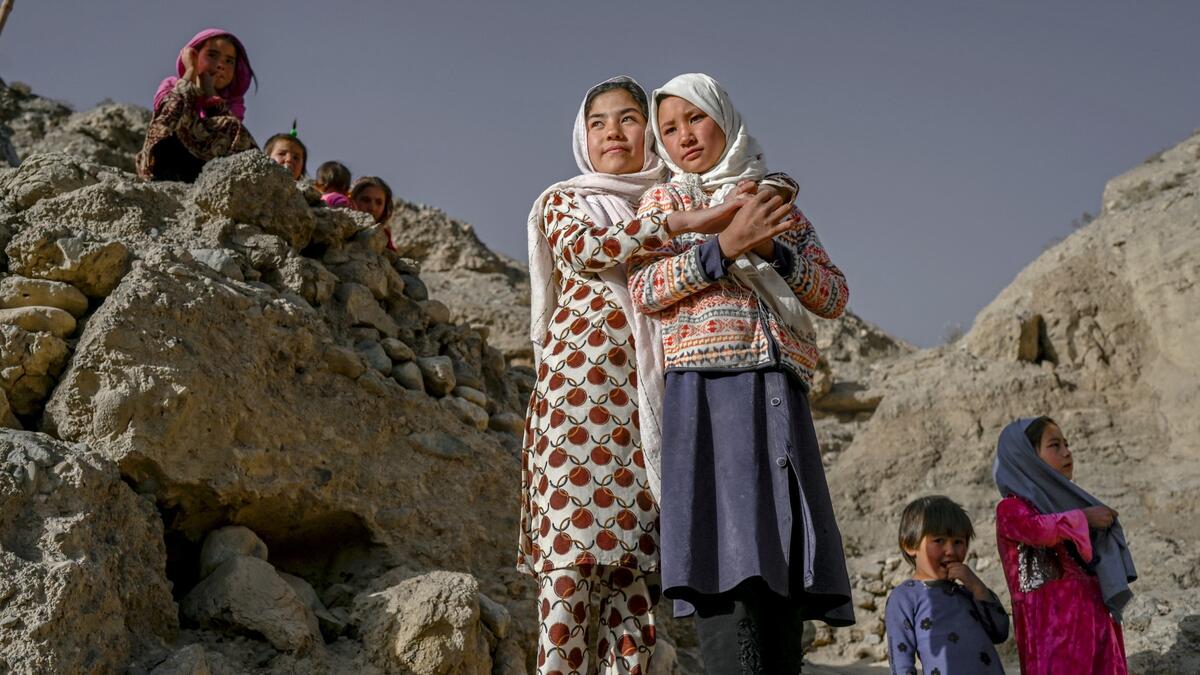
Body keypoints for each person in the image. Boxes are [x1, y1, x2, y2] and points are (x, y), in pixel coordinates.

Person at [627, 72, 854, 674]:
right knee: (723, 560)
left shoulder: (775, 200)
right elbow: (646, 287)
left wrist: (773, 249)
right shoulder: (666, 204)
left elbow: (832, 295)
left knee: (779, 556)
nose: (684, 137)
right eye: (668, 129)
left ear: (724, 118)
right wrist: (721, 248)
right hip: (705, 396)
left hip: (776, 390)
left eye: (694, 119)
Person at [520, 76, 745, 675]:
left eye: (628, 118)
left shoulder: (668, 197)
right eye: (599, 122)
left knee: (631, 587)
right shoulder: (564, 200)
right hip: (573, 419)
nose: (614, 132)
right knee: (568, 580)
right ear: (582, 135)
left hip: (642, 422)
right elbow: (588, 249)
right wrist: (686, 225)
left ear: (650, 133)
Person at [993, 417, 1136, 674]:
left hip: (1096, 625)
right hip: (1052, 638)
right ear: (1026, 457)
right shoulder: (1011, 509)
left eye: (1067, 444)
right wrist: (1084, 519)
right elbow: (1036, 530)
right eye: (1054, 445)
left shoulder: (1067, 505)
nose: (1067, 452)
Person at [885, 495, 1009, 674]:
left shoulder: (967, 592)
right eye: (939, 541)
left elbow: (1000, 632)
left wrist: (976, 586)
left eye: (958, 542)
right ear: (911, 545)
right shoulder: (904, 597)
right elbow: (901, 659)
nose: (950, 551)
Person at [136, 28, 257, 182]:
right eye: (212, 55)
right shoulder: (171, 84)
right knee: (176, 102)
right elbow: (166, 114)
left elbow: (229, 135)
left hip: (205, 172)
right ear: (194, 55)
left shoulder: (234, 104)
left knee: (233, 125)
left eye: (229, 61)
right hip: (164, 160)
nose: (220, 65)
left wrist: (210, 92)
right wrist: (191, 71)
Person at [350, 176, 396, 250]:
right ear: (352, 200)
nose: (372, 208)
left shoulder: (384, 237)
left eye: (379, 202)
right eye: (366, 200)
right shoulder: (339, 230)